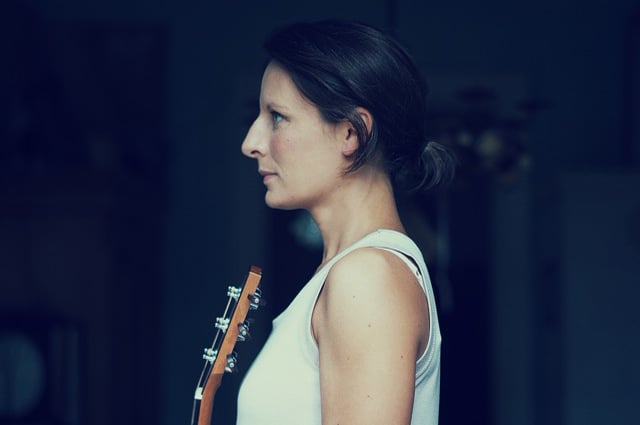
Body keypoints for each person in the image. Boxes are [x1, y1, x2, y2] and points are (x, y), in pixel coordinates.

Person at [237, 19, 454, 425]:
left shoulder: (366, 277)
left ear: (351, 133)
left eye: (277, 117)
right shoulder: (349, 272)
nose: (251, 143)